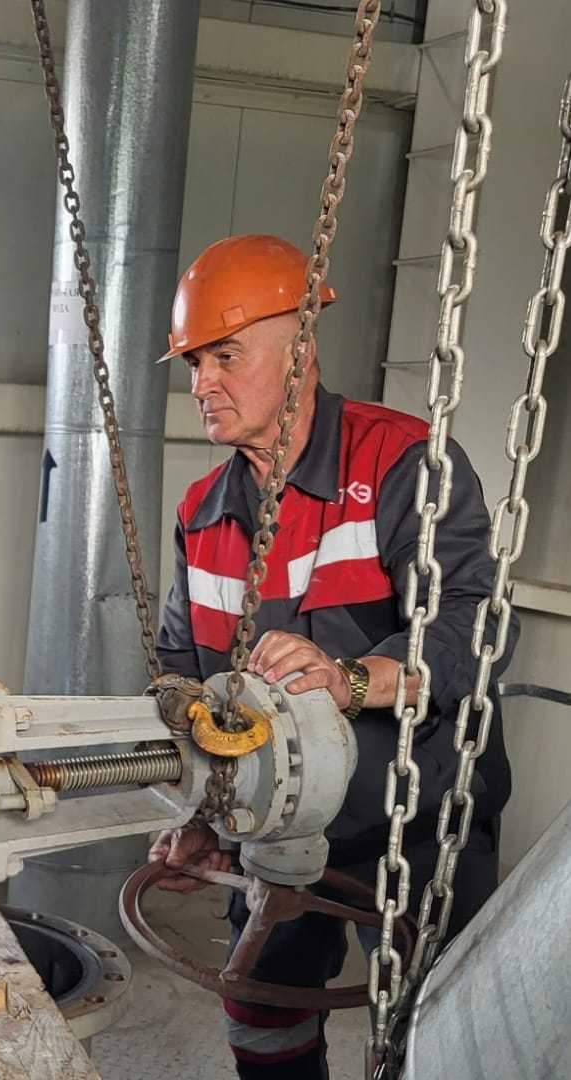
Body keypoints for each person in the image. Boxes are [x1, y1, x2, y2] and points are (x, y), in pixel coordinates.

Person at [147, 234, 515, 1078]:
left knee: (449, 1035)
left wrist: (353, 679)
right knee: (263, 1016)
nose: (202, 383)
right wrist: (200, 815)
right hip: (279, 825)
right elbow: (181, 672)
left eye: (226, 356)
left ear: (301, 351)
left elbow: (477, 621)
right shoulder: (202, 512)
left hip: (415, 822)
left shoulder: (402, 462)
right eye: (195, 362)